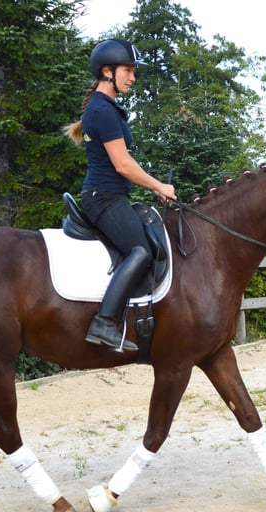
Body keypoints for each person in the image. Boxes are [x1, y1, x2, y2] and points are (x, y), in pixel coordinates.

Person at [64, 38, 177, 352]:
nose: (132, 77)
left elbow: (126, 162)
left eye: (133, 71)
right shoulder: (103, 110)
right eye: (127, 70)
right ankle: (105, 323)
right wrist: (158, 186)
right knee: (140, 250)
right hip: (105, 198)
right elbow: (123, 164)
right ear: (107, 71)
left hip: (110, 195)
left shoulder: (104, 108)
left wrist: (154, 185)